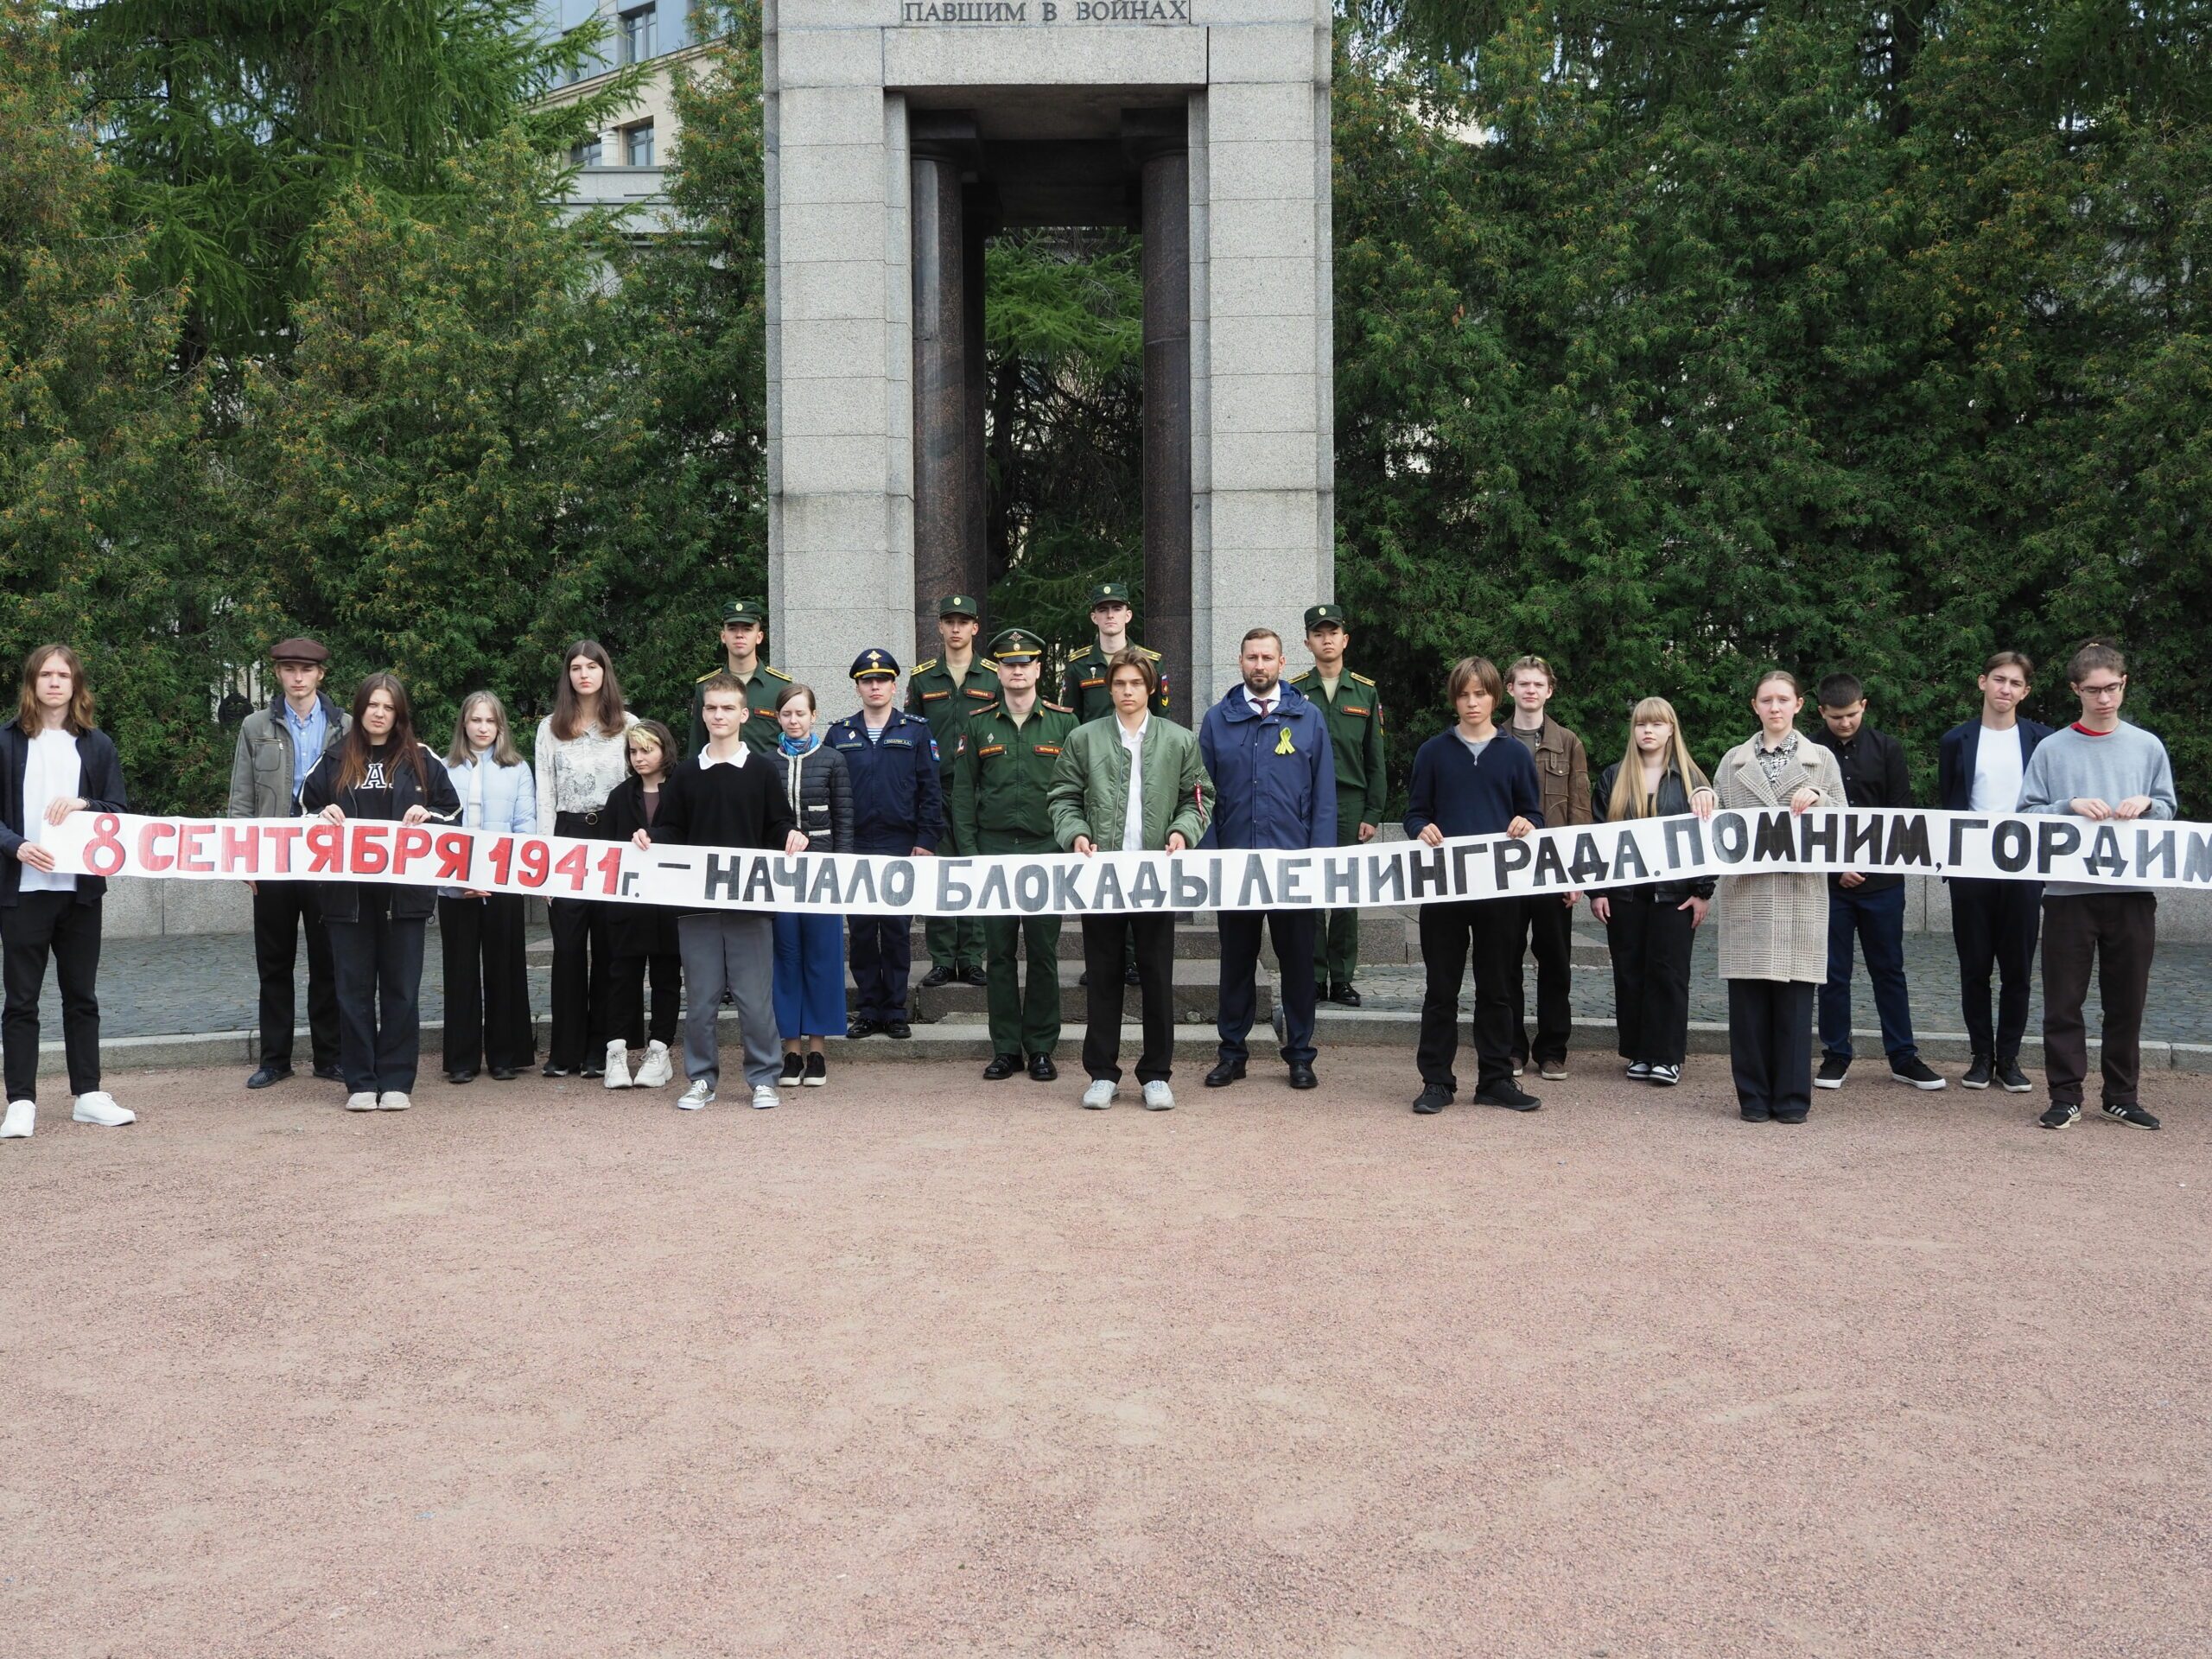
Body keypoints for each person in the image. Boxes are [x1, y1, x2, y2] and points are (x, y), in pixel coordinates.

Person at [2018, 641, 2177, 1132]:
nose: (2104, 698)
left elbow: (2169, 809)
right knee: (2063, 1000)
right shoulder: (2052, 748)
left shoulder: (2148, 745)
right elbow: (2025, 815)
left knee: (2126, 1000)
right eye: (2093, 690)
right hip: (2068, 894)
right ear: (2075, 690)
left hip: (2131, 892)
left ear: (2124, 683)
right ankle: (2065, 1095)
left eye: (2111, 688)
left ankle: (2121, 1095)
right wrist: (2068, 805)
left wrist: (2148, 805)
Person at [632, 674, 807, 1111]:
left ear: (744, 714)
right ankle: (701, 1079)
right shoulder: (687, 775)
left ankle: (764, 1077)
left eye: (728, 708)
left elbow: (776, 824)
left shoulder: (763, 770)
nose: (719, 715)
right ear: (702, 713)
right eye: (711, 708)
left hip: (751, 904)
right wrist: (650, 838)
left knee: (754, 1000)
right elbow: (671, 829)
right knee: (703, 1000)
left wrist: (793, 835)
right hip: (697, 908)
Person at [1048, 649, 1212, 1110]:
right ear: (1109, 688)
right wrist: (1076, 833)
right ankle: (1102, 1073)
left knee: (1158, 973)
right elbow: (1062, 796)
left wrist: (1184, 830)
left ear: (1151, 688)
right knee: (1103, 973)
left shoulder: (1179, 740)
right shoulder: (1084, 739)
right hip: (1102, 874)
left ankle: (1156, 1074)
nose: (1126, 691)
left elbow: (1199, 796)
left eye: (1135, 684)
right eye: (1119, 683)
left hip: (1156, 875)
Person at [300, 673, 463, 1113]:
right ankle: (360, 1080)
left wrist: (428, 815)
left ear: (399, 713)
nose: (379, 713)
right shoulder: (334, 758)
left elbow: (454, 815)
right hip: (346, 898)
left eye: (388, 707)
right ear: (359, 708)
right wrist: (320, 814)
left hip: (404, 898)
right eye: (372, 704)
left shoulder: (422, 759)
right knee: (351, 991)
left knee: (401, 990)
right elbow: (301, 812)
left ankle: (396, 1080)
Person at [1695, 670, 1846, 1125]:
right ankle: (1754, 1098)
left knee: (1795, 1006)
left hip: (1800, 895)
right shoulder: (1732, 760)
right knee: (1749, 1006)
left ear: (1799, 704)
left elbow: (1846, 817)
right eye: (1767, 700)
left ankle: (1793, 1098)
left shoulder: (1821, 759)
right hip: (1749, 896)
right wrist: (1702, 793)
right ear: (1755, 706)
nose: (1775, 707)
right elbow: (1714, 812)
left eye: (1783, 699)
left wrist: (1819, 796)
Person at [0, 645, 133, 1141]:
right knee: (21, 1000)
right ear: (32, 682)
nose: (54, 682)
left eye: (63, 675)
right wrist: (16, 847)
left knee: (82, 996)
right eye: (46, 674)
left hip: (80, 893)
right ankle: (21, 1101)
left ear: (76, 684)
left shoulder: (97, 746)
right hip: (23, 891)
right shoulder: (7, 742)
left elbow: (118, 810)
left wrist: (86, 803)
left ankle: (89, 1095)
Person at [1405, 657, 1544, 1116]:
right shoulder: (1433, 752)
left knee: (1498, 987)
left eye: (1480, 694)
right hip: (1444, 888)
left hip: (1500, 891)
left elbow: (1534, 813)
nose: (1471, 702)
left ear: (1493, 697)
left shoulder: (1514, 755)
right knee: (1440, 988)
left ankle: (1495, 1078)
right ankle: (1437, 1081)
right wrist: (1420, 828)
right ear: (1454, 699)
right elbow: (1415, 813)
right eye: (1463, 695)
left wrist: (1528, 823)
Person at [1200, 627, 1336, 1091]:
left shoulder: (1308, 717)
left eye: (1267, 657)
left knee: (1298, 962)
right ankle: (1232, 1054)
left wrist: (1318, 859)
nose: (1259, 665)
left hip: (1292, 865)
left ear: (1281, 663)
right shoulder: (1218, 719)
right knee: (1236, 962)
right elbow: (1202, 796)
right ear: (1240, 662)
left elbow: (1324, 796)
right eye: (1252, 657)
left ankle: (1299, 1055)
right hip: (1236, 865)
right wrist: (1210, 859)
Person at [951, 628, 1078, 1083]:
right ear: (998, 671)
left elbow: (1079, 791)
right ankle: (1006, 1048)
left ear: (1040, 669)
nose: (1017, 670)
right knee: (999, 955)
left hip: (1047, 850)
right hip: (995, 851)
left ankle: (1042, 1048)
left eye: (1025, 663)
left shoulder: (1065, 724)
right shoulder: (979, 722)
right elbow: (964, 794)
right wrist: (969, 853)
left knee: (1044, 952)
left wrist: (1071, 843)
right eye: (1008, 664)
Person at [1808, 672, 1945, 1092]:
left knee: (1889, 969)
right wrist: (1836, 868)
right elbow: (1805, 823)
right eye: (1835, 718)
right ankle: (1836, 1054)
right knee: (1832, 973)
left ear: (1863, 706)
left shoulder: (1888, 748)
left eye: (1850, 715)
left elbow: (1898, 816)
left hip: (1882, 881)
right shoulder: (1810, 753)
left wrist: (1864, 864)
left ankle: (1902, 1056)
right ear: (1821, 713)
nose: (1845, 723)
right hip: (1830, 884)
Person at [227, 636, 349, 1090]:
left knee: (329, 960)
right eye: (289, 670)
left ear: (320, 674)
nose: (298, 678)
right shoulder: (256, 725)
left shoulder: (346, 726)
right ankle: (275, 1059)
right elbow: (241, 796)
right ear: (278, 674)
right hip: (274, 857)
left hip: (327, 859)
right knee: (274, 962)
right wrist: (243, 856)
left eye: (306, 670)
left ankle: (330, 1056)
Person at [1937, 652, 2054, 1091]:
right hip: (1971, 867)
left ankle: (2010, 1058)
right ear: (1982, 682)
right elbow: (1951, 800)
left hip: (2024, 869)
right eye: (1999, 680)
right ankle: (1981, 1056)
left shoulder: (2043, 740)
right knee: (1974, 966)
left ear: (2025, 692)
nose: (2006, 689)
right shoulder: (1957, 740)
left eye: (2015, 683)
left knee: (2018, 969)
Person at [1590, 699, 1713, 1087]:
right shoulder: (1613, 776)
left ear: (1671, 729)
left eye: (1657, 724)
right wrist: (1598, 890)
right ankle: (1640, 1052)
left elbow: (1707, 839)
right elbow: (1597, 837)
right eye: (1642, 724)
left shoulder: (1693, 779)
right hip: (1625, 893)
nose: (1649, 731)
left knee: (1670, 972)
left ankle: (1667, 1055)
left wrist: (1704, 891)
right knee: (1630, 972)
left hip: (1674, 893)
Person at [826, 649, 943, 1040]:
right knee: (860, 931)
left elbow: (931, 790)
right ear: (858, 687)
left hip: (901, 844)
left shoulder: (916, 730)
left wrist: (926, 840)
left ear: (895, 686)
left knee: (895, 930)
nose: (874, 686)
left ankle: (895, 1010)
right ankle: (867, 1009)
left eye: (882, 680)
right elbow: (827, 792)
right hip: (855, 844)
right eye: (866, 680)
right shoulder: (839, 733)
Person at [534, 639, 638, 1078]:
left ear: (604, 673)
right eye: (576, 667)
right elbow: (545, 795)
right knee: (570, 948)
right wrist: (543, 866)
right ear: (568, 676)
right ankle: (566, 1051)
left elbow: (641, 784)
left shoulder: (629, 725)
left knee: (612, 950)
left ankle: (604, 1049)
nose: (583, 674)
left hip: (614, 838)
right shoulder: (550, 728)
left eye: (592, 666)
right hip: (568, 838)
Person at [1288, 603, 1385, 1007]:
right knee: (1311, 893)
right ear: (1308, 641)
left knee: (1344, 895)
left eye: (1333, 633)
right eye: (1318, 633)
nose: (1326, 640)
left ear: (1345, 640)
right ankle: (1312, 976)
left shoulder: (1365, 690)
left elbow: (1375, 757)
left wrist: (1373, 812)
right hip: (1306, 805)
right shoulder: (1294, 691)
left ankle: (1342, 977)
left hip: (1348, 802)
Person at [438, 692, 536, 1085]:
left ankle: (505, 1054)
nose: (482, 728)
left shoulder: (517, 768)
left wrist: (503, 877)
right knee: (460, 971)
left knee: (505, 968)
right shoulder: (444, 768)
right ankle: (461, 1058)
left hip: (502, 886)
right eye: (476, 720)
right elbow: (438, 828)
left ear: (500, 726)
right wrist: (456, 880)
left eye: (490, 721)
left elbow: (525, 825)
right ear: (464, 723)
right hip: (456, 886)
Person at [1503, 655, 1590, 1081]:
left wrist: (1576, 872)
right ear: (1510, 689)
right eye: (1523, 684)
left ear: (1549, 690)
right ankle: (1512, 1048)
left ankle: (1553, 1048)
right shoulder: (1493, 739)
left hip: (1554, 868)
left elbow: (1580, 809)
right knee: (1505, 961)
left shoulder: (1569, 742)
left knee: (1555, 961)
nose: (1531, 690)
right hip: (1504, 871)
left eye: (1538, 684)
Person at [908, 594, 999, 992]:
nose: (957, 628)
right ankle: (943, 959)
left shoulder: (994, 676)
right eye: (950, 621)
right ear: (940, 627)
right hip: (938, 787)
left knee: (975, 870)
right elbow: (914, 732)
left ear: (976, 627)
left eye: (964, 621)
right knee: (939, 872)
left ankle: (973, 958)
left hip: (980, 788)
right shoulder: (923, 678)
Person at [770, 683, 852, 1088]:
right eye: (787, 714)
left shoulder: (833, 760)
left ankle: (817, 1049)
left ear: (814, 716)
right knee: (785, 959)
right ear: (777, 718)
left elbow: (844, 820)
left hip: (822, 875)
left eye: (801, 713)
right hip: (781, 876)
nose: (794, 721)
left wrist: (844, 870)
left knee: (822, 958)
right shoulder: (766, 763)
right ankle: (790, 1051)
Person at [601, 720, 683, 1093]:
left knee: (667, 977)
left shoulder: (683, 791)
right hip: (629, 906)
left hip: (669, 903)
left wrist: (657, 837)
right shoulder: (620, 797)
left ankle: (659, 1049)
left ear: (665, 750)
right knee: (622, 978)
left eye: (647, 749)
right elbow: (607, 850)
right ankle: (616, 1052)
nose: (639, 758)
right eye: (634, 751)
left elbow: (691, 836)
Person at [687, 599, 791, 758]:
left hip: (766, 779)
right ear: (723, 636)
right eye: (732, 629)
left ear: (759, 636)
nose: (740, 635)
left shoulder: (780, 687)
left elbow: (791, 743)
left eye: (748, 629)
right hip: (719, 778)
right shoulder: (706, 687)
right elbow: (697, 747)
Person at [1059, 582, 1172, 724]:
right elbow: (1071, 720)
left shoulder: (1151, 662)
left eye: (1117, 609)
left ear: (1128, 615)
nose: (1110, 615)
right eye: (1103, 610)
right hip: (1095, 744)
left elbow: (1162, 718)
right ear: (1094, 617)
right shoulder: (1078, 664)